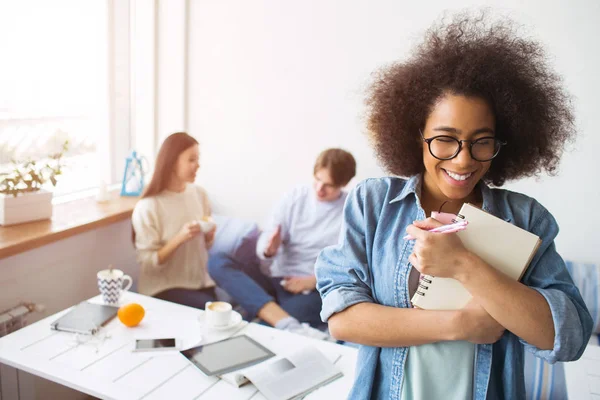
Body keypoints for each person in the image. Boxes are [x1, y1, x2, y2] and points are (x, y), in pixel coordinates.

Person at [315, 14, 593, 399]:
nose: (463, 161)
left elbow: (569, 337)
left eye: (482, 141)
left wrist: (464, 264)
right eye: (445, 139)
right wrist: (460, 325)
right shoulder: (375, 203)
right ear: (417, 135)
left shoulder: (527, 219)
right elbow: (343, 320)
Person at [208, 148, 356, 337]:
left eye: (328, 185)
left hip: (311, 288)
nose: (319, 189)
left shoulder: (349, 211)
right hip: (275, 276)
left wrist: (313, 282)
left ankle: (266, 312)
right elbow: (267, 242)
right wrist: (269, 249)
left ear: (343, 184)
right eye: (317, 180)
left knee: (265, 329)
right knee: (217, 262)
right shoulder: (295, 197)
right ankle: (277, 315)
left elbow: (351, 264)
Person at [132, 132, 218, 308]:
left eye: (198, 159)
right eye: (191, 159)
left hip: (200, 283)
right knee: (211, 316)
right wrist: (180, 238)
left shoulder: (199, 194)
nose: (198, 165)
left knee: (222, 318)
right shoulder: (149, 206)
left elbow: (205, 247)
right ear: (172, 162)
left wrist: (209, 236)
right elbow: (148, 263)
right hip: (163, 288)